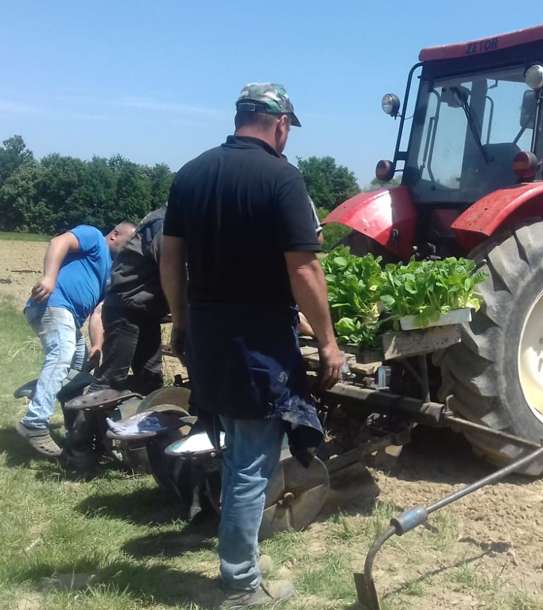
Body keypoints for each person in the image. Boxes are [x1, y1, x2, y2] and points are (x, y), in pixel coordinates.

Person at [160, 82, 344, 608]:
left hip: (210, 335)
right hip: (257, 341)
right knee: (250, 462)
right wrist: (328, 342)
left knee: (239, 447)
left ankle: (241, 552)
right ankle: (240, 583)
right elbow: (304, 268)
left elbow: (170, 258)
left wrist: (181, 320)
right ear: (280, 124)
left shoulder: (191, 174)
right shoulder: (283, 179)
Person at [16, 222, 135, 456]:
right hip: (53, 304)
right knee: (62, 354)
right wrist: (49, 277)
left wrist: (98, 344)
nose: (133, 248)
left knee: (78, 371)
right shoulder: (93, 237)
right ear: (115, 235)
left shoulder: (111, 271)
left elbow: (97, 313)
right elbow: (58, 242)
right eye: (130, 242)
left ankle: (42, 388)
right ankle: (34, 422)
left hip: (70, 318)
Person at [88, 206, 168, 396]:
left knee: (150, 378)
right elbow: (172, 267)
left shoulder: (171, 222)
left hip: (147, 311)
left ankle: (140, 423)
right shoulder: (164, 224)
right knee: (111, 379)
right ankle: (84, 423)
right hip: (127, 308)